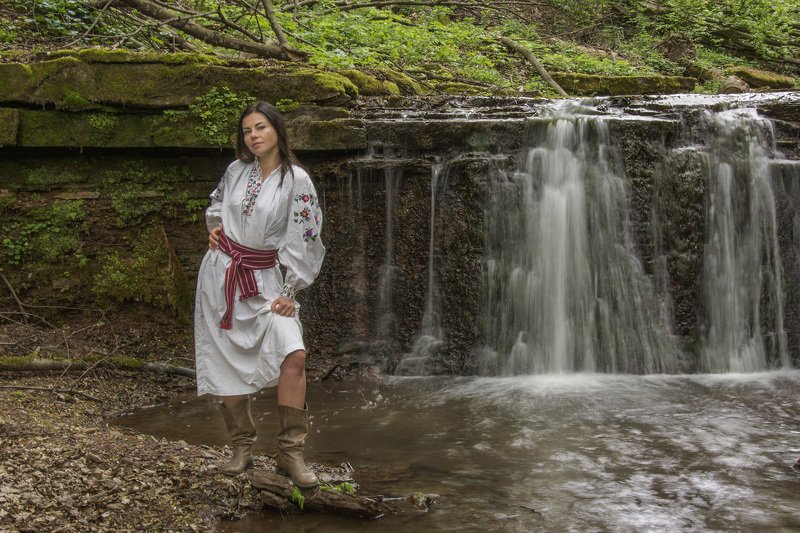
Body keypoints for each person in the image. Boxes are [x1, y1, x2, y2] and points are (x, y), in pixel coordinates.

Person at [194, 101, 325, 488]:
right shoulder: (236, 170)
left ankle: (291, 454)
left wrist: (290, 289)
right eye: (247, 130)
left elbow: (306, 236)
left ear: (277, 131)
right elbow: (217, 204)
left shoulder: (297, 180)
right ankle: (241, 447)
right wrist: (214, 227)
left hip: (266, 281)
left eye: (261, 127)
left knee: (294, 353)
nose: (253, 136)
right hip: (220, 277)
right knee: (225, 361)